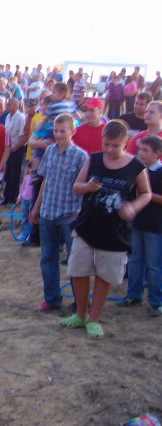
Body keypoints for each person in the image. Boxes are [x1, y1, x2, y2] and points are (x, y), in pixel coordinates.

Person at [61, 120, 151, 339]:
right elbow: (76, 186)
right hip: (87, 226)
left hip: (115, 231)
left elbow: (145, 193)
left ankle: (94, 318)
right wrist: (88, 187)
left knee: (105, 276)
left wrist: (133, 206)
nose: (109, 150)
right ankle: (81, 313)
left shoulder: (135, 167)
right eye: (106, 144)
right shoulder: (94, 159)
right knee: (78, 271)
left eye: (115, 146)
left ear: (125, 142)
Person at [29, 114, 88, 312]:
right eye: (56, 130)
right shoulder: (50, 152)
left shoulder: (81, 156)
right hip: (48, 212)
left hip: (69, 214)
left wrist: (79, 213)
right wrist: (36, 206)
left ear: (73, 132)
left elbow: (83, 187)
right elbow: (45, 180)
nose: (59, 134)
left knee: (75, 260)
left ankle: (80, 303)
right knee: (48, 258)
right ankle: (52, 299)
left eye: (63, 131)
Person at [117, 135, 162, 317]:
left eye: (145, 150)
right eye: (139, 150)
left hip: (155, 226)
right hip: (137, 223)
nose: (140, 154)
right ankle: (133, 295)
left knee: (153, 264)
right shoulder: (137, 171)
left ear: (157, 154)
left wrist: (148, 195)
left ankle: (156, 301)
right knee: (135, 261)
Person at [2, 98, 27, 205]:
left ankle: (13, 198)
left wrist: (16, 147)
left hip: (17, 149)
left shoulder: (21, 118)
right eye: (7, 104)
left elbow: (24, 136)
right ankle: (6, 196)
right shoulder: (8, 116)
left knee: (15, 174)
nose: (7, 106)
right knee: (8, 173)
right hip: (8, 149)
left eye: (10, 104)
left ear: (16, 106)